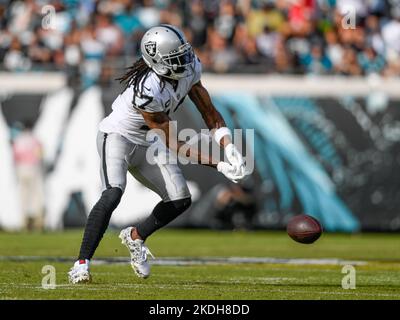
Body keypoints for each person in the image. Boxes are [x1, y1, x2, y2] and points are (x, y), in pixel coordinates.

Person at [68, 24, 247, 283]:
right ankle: (81, 264)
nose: (185, 60)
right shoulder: (147, 89)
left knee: (180, 199)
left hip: (149, 140)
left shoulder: (189, 68)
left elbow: (209, 112)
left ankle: (135, 237)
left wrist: (230, 148)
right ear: (158, 62)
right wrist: (219, 164)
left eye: (183, 53)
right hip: (118, 137)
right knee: (113, 193)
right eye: (176, 58)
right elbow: (174, 142)